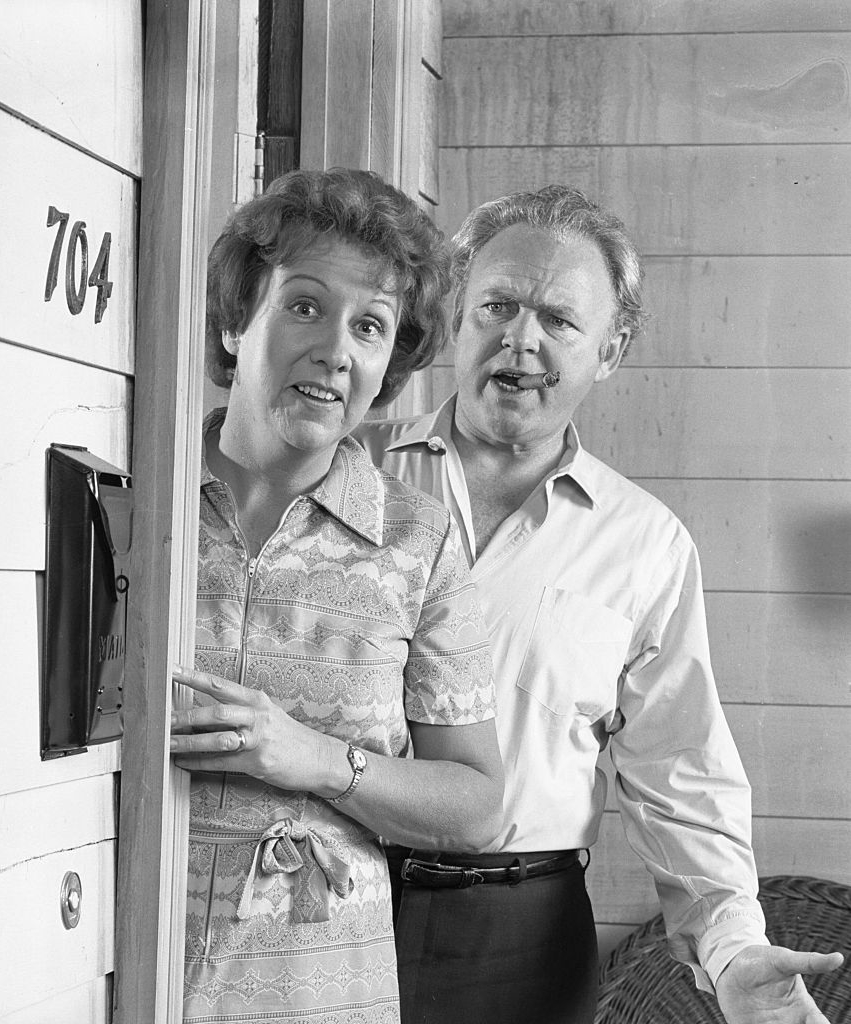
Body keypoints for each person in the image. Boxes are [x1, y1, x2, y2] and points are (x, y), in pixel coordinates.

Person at [356, 184, 845, 1024]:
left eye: (558, 318)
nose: (520, 338)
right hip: (329, 891)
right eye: (497, 306)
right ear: (454, 319)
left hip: (521, 937)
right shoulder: (348, 473)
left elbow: (681, 777)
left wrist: (730, 949)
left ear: (610, 349)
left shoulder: (645, 545)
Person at [168, 167, 504, 1024]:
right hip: (117, 967)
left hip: (321, 995)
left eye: (371, 326)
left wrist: (314, 759)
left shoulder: (418, 544)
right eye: (305, 306)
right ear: (238, 319)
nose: (336, 351)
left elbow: (476, 806)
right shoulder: (138, 496)